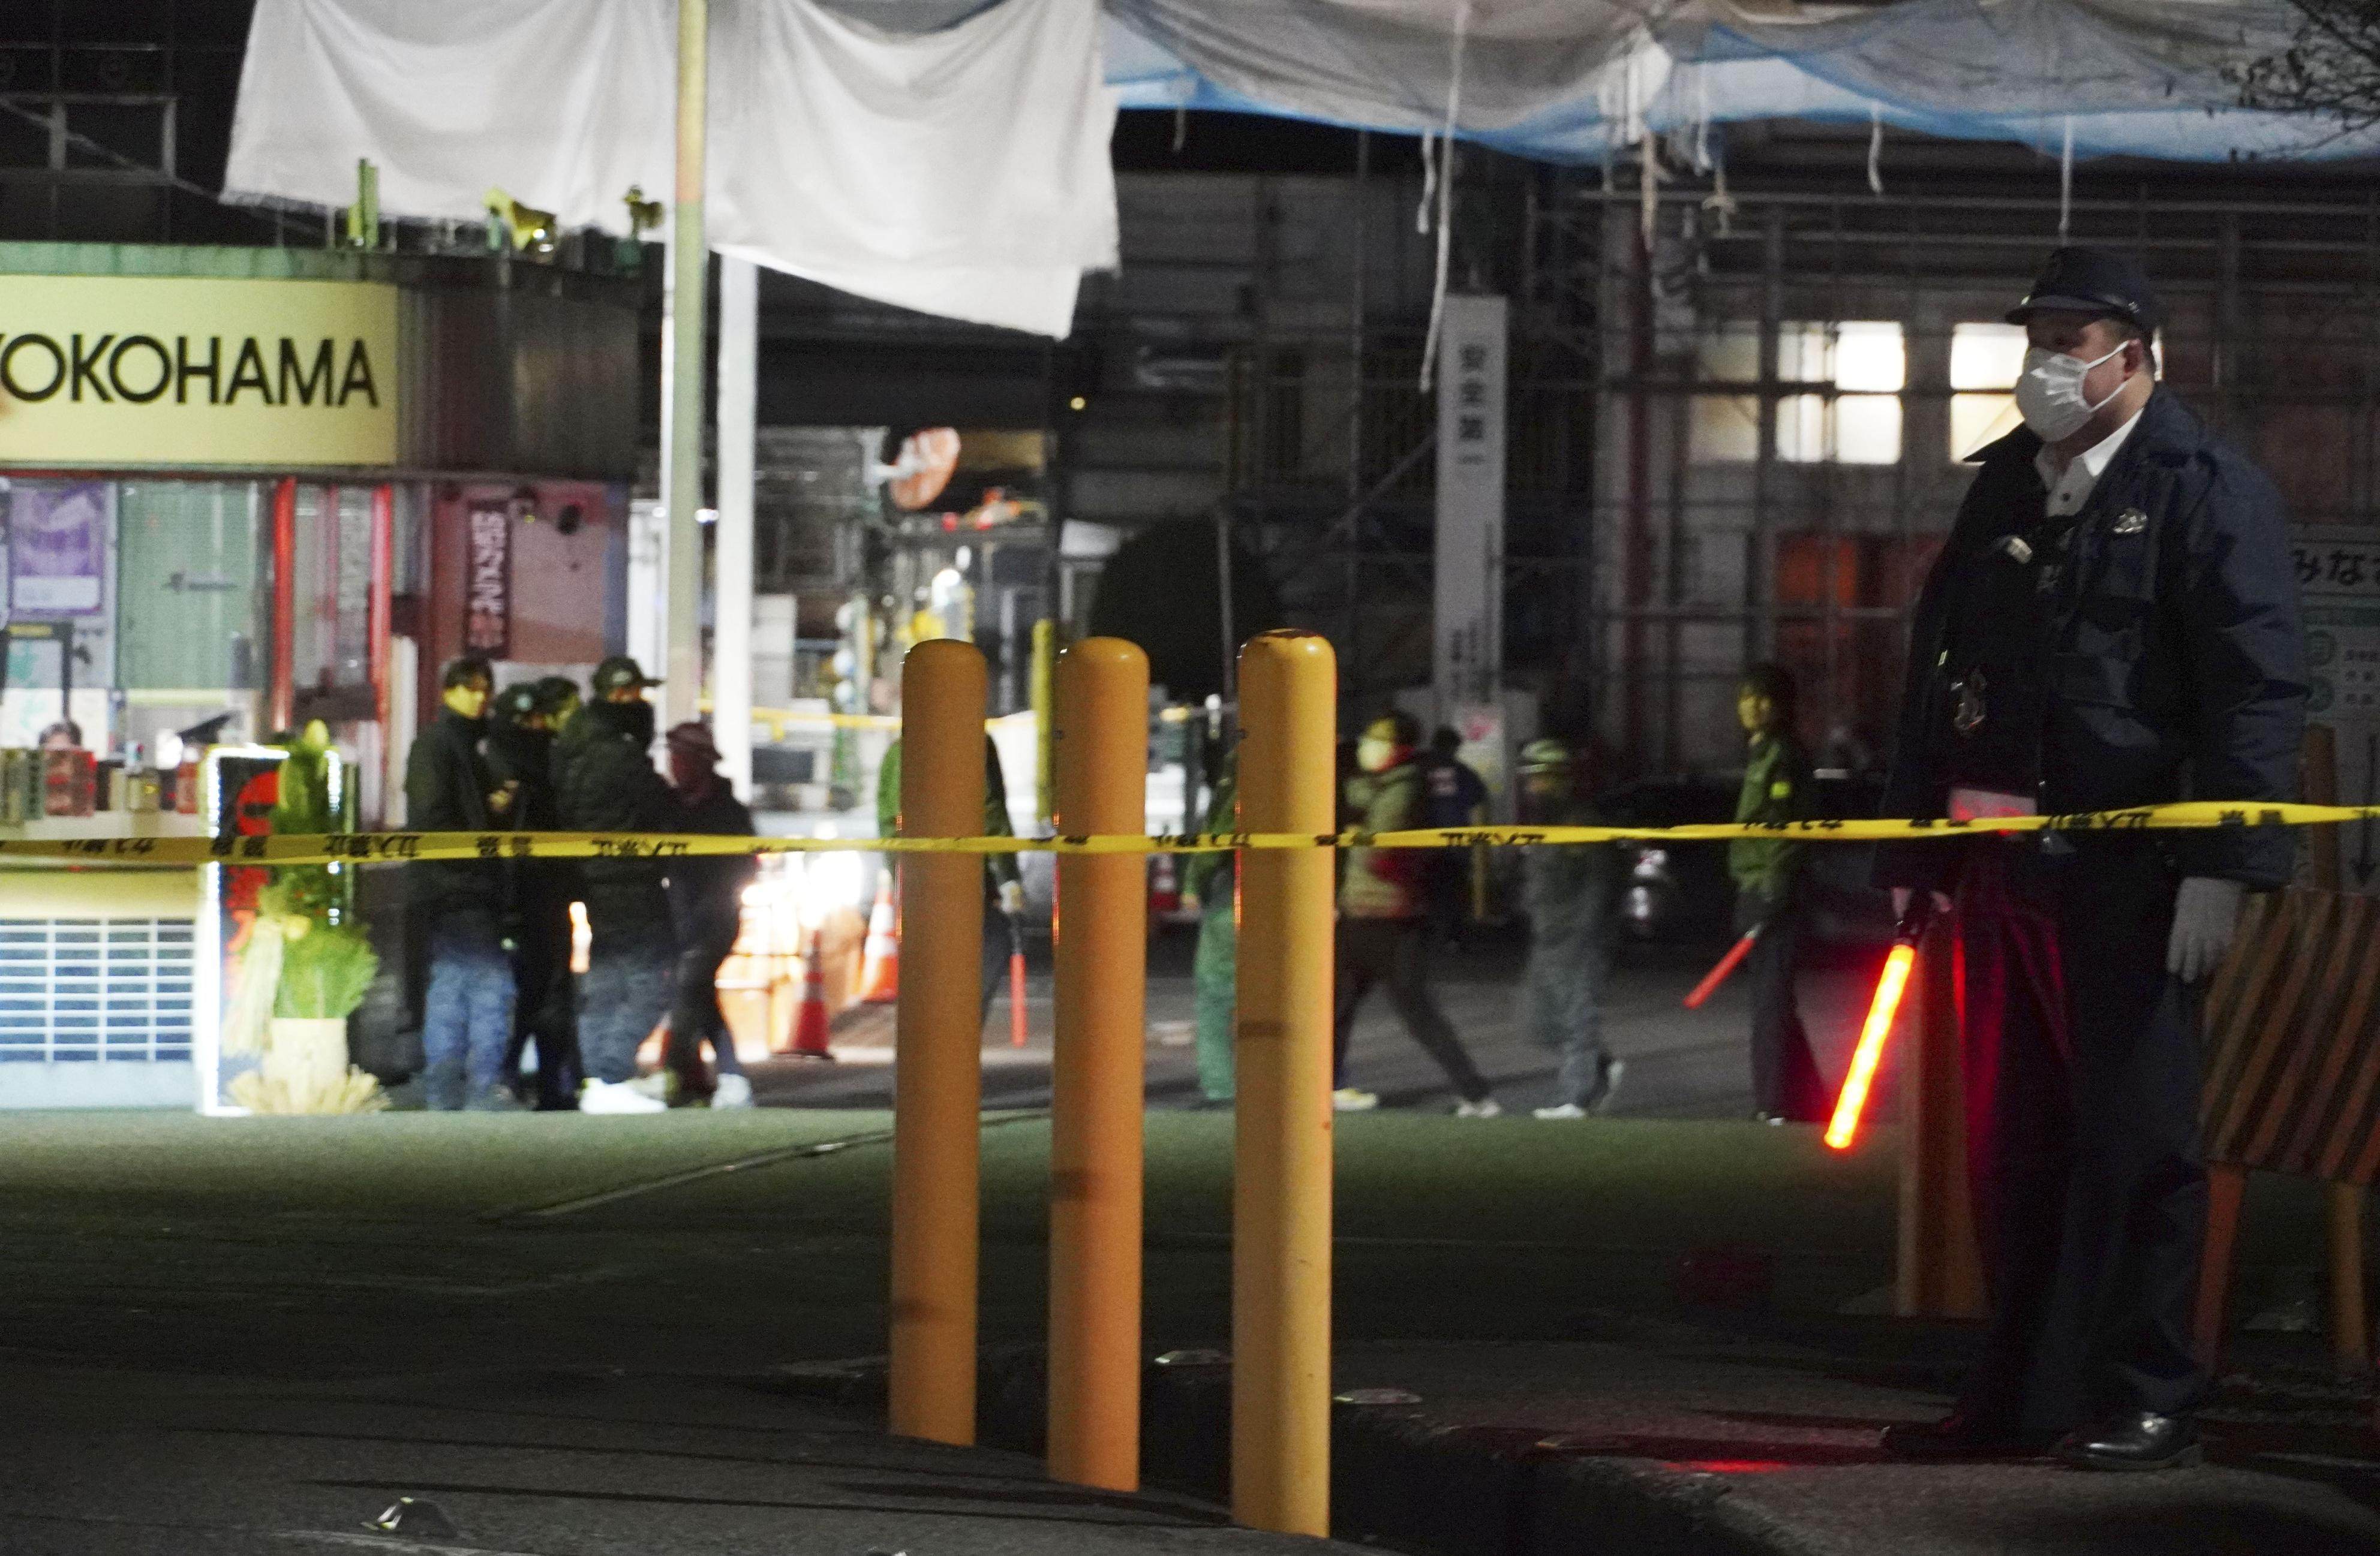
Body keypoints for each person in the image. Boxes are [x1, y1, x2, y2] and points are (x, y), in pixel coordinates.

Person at [1875, 247, 2306, 1471]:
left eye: (2073, 339)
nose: (2047, 362)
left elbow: (2253, 693)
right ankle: (2015, 1391)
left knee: (2138, 1138)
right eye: (2039, 337)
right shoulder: (2007, 485)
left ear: (2137, 351)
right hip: (2002, 863)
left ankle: (2146, 1392)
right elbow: (1940, 671)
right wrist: (1914, 842)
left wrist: (2226, 861)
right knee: (2012, 1148)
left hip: (2135, 877)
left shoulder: (2204, 489)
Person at [1331, 711, 1499, 1116]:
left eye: (1381, 739)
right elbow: (1350, 800)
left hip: (1394, 919)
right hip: (1359, 915)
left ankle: (1477, 1095)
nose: (1371, 745)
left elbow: (1380, 852)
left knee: (1418, 1013)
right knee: (1334, 1007)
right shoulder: (1370, 784)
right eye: (1369, 735)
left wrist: (1355, 836)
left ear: (1402, 748)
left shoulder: (1407, 788)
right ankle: (1327, 1087)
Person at [554, 654, 678, 1114]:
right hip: (629, 880)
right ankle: (611, 1072)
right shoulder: (615, 754)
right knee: (653, 977)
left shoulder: (577, 745)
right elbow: (658, 807)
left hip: (594, 879)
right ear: (622, 695)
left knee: (607, 979)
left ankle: (600, 1078)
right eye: (638, 693)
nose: (644, 702)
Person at [403, 656, 519, 1110]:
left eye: (485, 688)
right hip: (459, 884)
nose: (479, 697)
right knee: (489, 984)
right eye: (470, 688)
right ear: (448, 691)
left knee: (453, 984)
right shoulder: (443, 745)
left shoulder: (466, 744)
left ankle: (446, 1090)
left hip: (450, 885)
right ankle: (481, 1086)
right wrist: (490, 813)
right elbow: (434, 815)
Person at [876, 733, 1027, 1028]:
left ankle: (928, 1035)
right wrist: (1008, 876)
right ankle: (960, 1033)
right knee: (991, 940)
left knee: (928, 965)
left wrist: (899, 875)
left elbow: (889, 819)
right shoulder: (976, 745)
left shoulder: (897, 752)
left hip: (917, 878)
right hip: (967, 876)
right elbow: (992, 812)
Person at [1729, 664, 1826, 1125]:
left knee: (1769, 1003)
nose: (1754, 706)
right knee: (1775, 1001)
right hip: (1757, 885)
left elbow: (1787, 831)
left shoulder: (1783, 755)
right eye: (1748, 697)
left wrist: (1772, 894)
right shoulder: (1761, 752)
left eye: (1764, 698)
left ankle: (1774, 1104)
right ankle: (1808, 1100)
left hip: (1773, 889)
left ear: (1783, 706)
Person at [1515, 738, 1622, 1119]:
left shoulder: (1581, 823)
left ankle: (1578, 1100)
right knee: (1541, 1023)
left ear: (1560, 780)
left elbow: (1598, 882)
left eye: (1539, 779)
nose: (1532, 787)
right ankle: (1602, 1067)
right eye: (1529, 779)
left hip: (1578, 937)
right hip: (1547, 935)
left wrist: (1583, 930)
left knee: (1579, 1019)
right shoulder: (1544, 823)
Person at [486, 680, 579, 1109]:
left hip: (541, 894)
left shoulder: (550, 766)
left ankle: (547, 1081)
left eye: (538, 717)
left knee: (546, 991)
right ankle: (522, 1077)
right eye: (526, 720)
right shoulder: (505, 766)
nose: (535, 727)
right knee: (526, 993)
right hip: (517, 896)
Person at [661, 721, 758, 1109]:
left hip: (716, 919)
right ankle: (727, 1077)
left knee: (689, 987)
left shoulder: (727, 811)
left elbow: (746, 864)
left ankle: (674, 1074)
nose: (675, 765)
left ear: (701, 762)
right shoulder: (669, 806)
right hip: (681, 916)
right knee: (699, 994)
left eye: (681, 757)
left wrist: (711, 901)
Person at [1183, 740, 1238, 1107]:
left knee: (1216, 993)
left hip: (1235, 894)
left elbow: (1216, 838)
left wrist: (1193, 886)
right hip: (1301, 895)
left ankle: (1221, 1087)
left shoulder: (1240, 774)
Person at [1420, 726, 1489, 944]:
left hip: (1422, 843)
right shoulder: (1462, 773)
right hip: (1455, 844)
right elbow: (1478, 795)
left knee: (1428, 891)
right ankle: (1452, 936)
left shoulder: (1420, 771)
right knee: (1454, 892)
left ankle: (1430, 935)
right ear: (1453, 747)